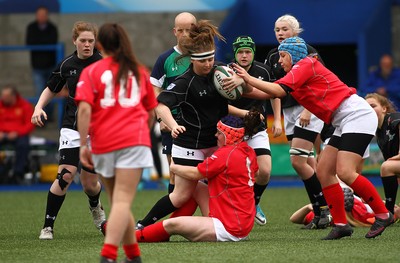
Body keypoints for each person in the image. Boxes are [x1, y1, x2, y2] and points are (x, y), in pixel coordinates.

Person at [232, 36, 394, 240]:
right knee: (324, 171)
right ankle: (341, 224)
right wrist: (237, 88)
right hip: (342, 121)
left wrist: (245, 79)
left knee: (345, 171)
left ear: (294, 55)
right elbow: (266, 93)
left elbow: (276, 90)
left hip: (356, 115)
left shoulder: (306, 64)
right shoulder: (296, 73)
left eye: (283, 56)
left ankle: (383, 214)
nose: (279, 61)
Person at [136, 20, 244, 228]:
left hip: (216, 142)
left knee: (226, 184)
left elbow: (246, 86)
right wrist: (172, 124)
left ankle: (231, 217)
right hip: (189, 144)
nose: (208, 64)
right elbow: (161, 106)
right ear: (193, 60)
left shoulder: (221, 72)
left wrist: (241, 81)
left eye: (211, 59)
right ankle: (143, 224)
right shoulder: (185, 82)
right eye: (203, 61)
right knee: (180, 195)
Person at [76, 22, 157, 263]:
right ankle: (109, 255)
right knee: (121, 202)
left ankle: (132, 256)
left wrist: (82, 145)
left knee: (118, 202)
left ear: (99, 44)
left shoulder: (91, 72)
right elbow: (151, 111)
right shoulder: (139, 71)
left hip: (103, 142)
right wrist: (145, 132)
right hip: (134, 140)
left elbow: (83, 111)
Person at [133, 112, 260, 242]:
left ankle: (130, 236)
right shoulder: (248, 151)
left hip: (228, 228)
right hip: (240, 221)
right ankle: (157, 232)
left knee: (172, 224)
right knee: (194, 186)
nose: (215, 135)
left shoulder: (225, 155)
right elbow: (256, 173)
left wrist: (173, 167)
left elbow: (195, 173)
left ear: (227, 135)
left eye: (218, 133)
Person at [31, 21, 105, 240]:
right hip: (72, 127)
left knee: (90, 185)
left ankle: (96, 207)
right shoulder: (66, 64)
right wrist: (38, 107)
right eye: (83, 40)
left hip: (97, 130)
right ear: (75, 41)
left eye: (91, 41)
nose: (87, 45)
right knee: (65, 175)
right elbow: (51, 88)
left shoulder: (103, 64)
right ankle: (47, 226)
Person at [262, 14, 330, 229]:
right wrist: (278, 119)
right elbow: (275, 90)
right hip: (289, 112)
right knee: (307, 163)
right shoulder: (274, 55)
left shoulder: (309, 52)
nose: (280, 33)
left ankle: (325, 210)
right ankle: (321, 211)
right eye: (277, 29)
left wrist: (309, 110)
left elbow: (320, 83)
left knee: (299, 162)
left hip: (307, 108)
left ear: (295, 31)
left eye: (284, 29)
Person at [224, 35, 282, 225]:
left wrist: (278, 120)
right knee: (230, 175)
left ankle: (253, 203)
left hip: (257, 128)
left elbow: (275, 94)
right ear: (235, 54)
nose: (244, 55)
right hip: (231, 128)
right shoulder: (225, 72)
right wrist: (244, 113)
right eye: (240, 52)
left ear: (253, 53)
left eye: (248, 51)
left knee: (264, 171)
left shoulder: (263, 70)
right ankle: (226, 212)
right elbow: (220, 104)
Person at [150, 12, 197, 193]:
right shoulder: (165, 59)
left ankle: (211, 216)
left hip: (199, 122)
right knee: (175, 173)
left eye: (189, 30)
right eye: (181, 30)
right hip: (174, 123)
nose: (185, 34)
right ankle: (176, 217)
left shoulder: (203, 56)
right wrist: (161, 119)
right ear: (174, 32)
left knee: (204, 172)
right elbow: (154, 89)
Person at [365, 93, 400, 216]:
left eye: (373, 106)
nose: (369, 109)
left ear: (384, 109)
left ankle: (387, 212)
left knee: (386, 167)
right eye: (366, 107)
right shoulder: (379, 133)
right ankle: (390, 211)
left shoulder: (392, 118)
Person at [26, 6, 58, 121]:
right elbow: (30, 42)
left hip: (50, 65)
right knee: (40, 91)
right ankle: (40, 117)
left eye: (44, 15)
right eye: (39, 15)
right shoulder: (31, 27)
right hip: (37, 66)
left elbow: (52, 42)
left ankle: (49, 117)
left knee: (52, 91)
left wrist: (40, 43)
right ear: (36, 15)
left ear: (47, 15)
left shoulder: (52, 27)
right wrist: (42, 43)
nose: (41, 17)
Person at [0, 84, 35, 184]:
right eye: (2, 96)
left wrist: (17, 133)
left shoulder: (25, 106)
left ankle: (18, 172)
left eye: (6, 96)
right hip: (2, 134)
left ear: (13, 96)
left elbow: (30, 124)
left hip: (18, 135)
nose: (3, 98)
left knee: (23, 145)